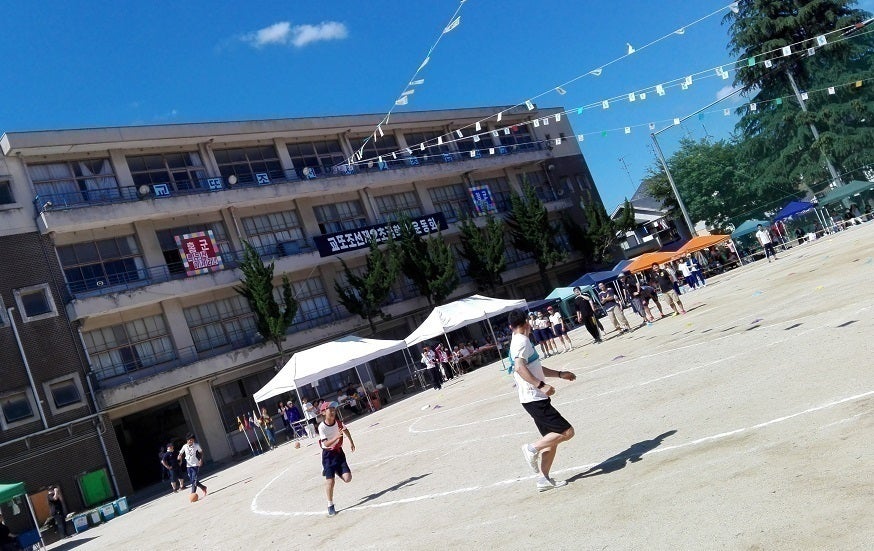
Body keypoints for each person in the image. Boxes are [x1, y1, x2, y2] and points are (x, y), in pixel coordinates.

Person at [507, 310, 576, 492]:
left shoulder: (518, 340)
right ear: (527, 323)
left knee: (551, 440)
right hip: (534, 398)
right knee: (567, 432)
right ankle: (531, 448)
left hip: (532, 398)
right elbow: (520, 368)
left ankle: (543, 479)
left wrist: (560, 374)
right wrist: (541, 385)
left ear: (511, 327)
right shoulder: (522, 341)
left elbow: (534, 366)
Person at [318, 401, 356, 517]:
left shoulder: (338, 423)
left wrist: (351, 442)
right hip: (328, 456)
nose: (333, 411)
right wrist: (336, 437)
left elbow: (345, 430)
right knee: (331, 481)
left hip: (339, 453)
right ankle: (330, 505)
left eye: (334, 409)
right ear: (323, 412)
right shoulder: (322, 427)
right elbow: (326, 444)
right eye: (330, 409)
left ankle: (335, 470)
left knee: (348, 478)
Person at [178, 433, 207, 499]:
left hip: (195, 465)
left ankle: (193, 493)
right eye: (189, 440)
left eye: (192, 440)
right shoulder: (185, 446)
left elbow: (201, 452)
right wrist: (179, 456)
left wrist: (201, 460)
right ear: (187, 440)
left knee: (194, 480)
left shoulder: (196, 445)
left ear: (194, 440)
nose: (190, 441)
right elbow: (180, 453)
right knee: (192, 480)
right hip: (188, 466)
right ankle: (203, 487)